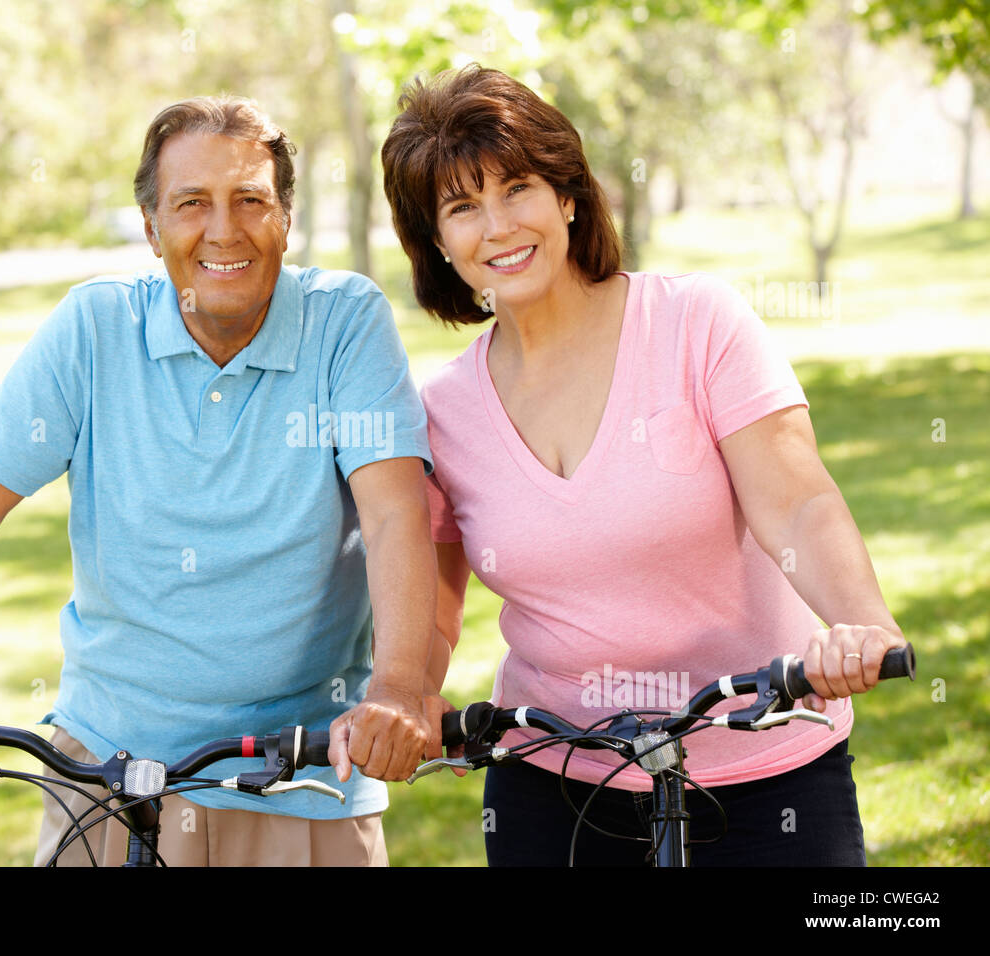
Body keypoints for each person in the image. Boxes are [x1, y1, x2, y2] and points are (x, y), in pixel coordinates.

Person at [0, 95, 437, 867]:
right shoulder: (93, 330)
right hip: (108, 769)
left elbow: (395, 516)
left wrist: (395, 688)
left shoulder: (345, 322)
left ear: (286, 218)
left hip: (308, 775)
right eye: (192, 204)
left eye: (250, 201)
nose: (224, 230)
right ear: (152, 228)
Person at [380, 64, 909, 866]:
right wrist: (413, 695)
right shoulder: (442, 412)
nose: (497, 227)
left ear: (567, 194)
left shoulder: (697, 323)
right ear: (438, 244)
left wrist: (860, 623)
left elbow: (797, 504)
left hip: (761, 758)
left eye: (517, 188)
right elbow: (437, 607)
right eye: (462, 208)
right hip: (556, 782)